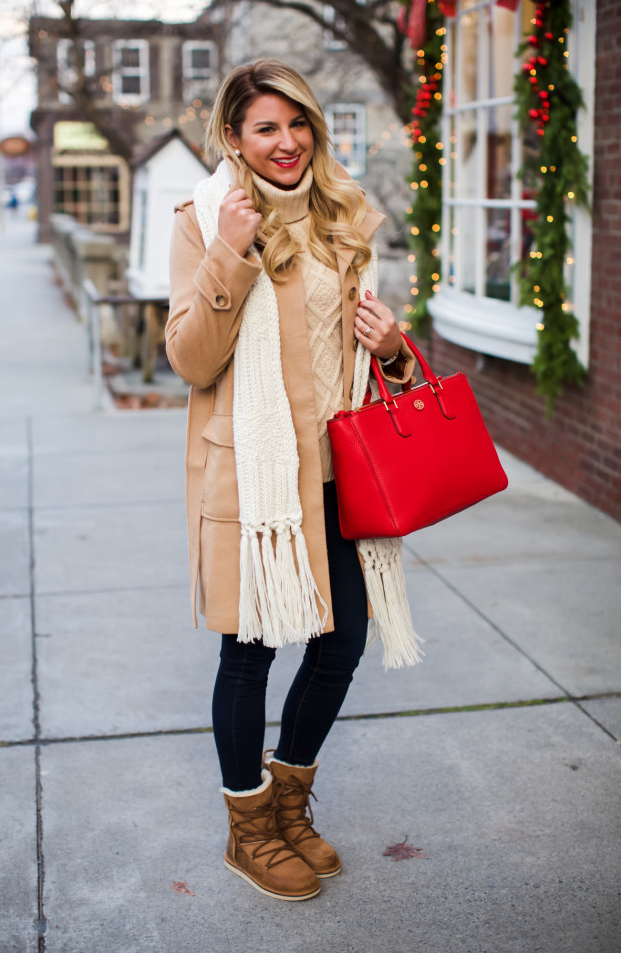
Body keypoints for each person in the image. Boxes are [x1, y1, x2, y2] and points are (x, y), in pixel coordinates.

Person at [166, 59, 421, 903]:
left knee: (339, 644)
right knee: (247, 653)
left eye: (297, 123)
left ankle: (288, 803)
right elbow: (190, 359)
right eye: (264, 128)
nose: (286, 142)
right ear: (233, 139)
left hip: (338, 469)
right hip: (255, 476)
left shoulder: (338, 218)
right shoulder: (205, 221)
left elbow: (352, 352)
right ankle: (248, 829)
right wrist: (232, 256)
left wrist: (389, 347)